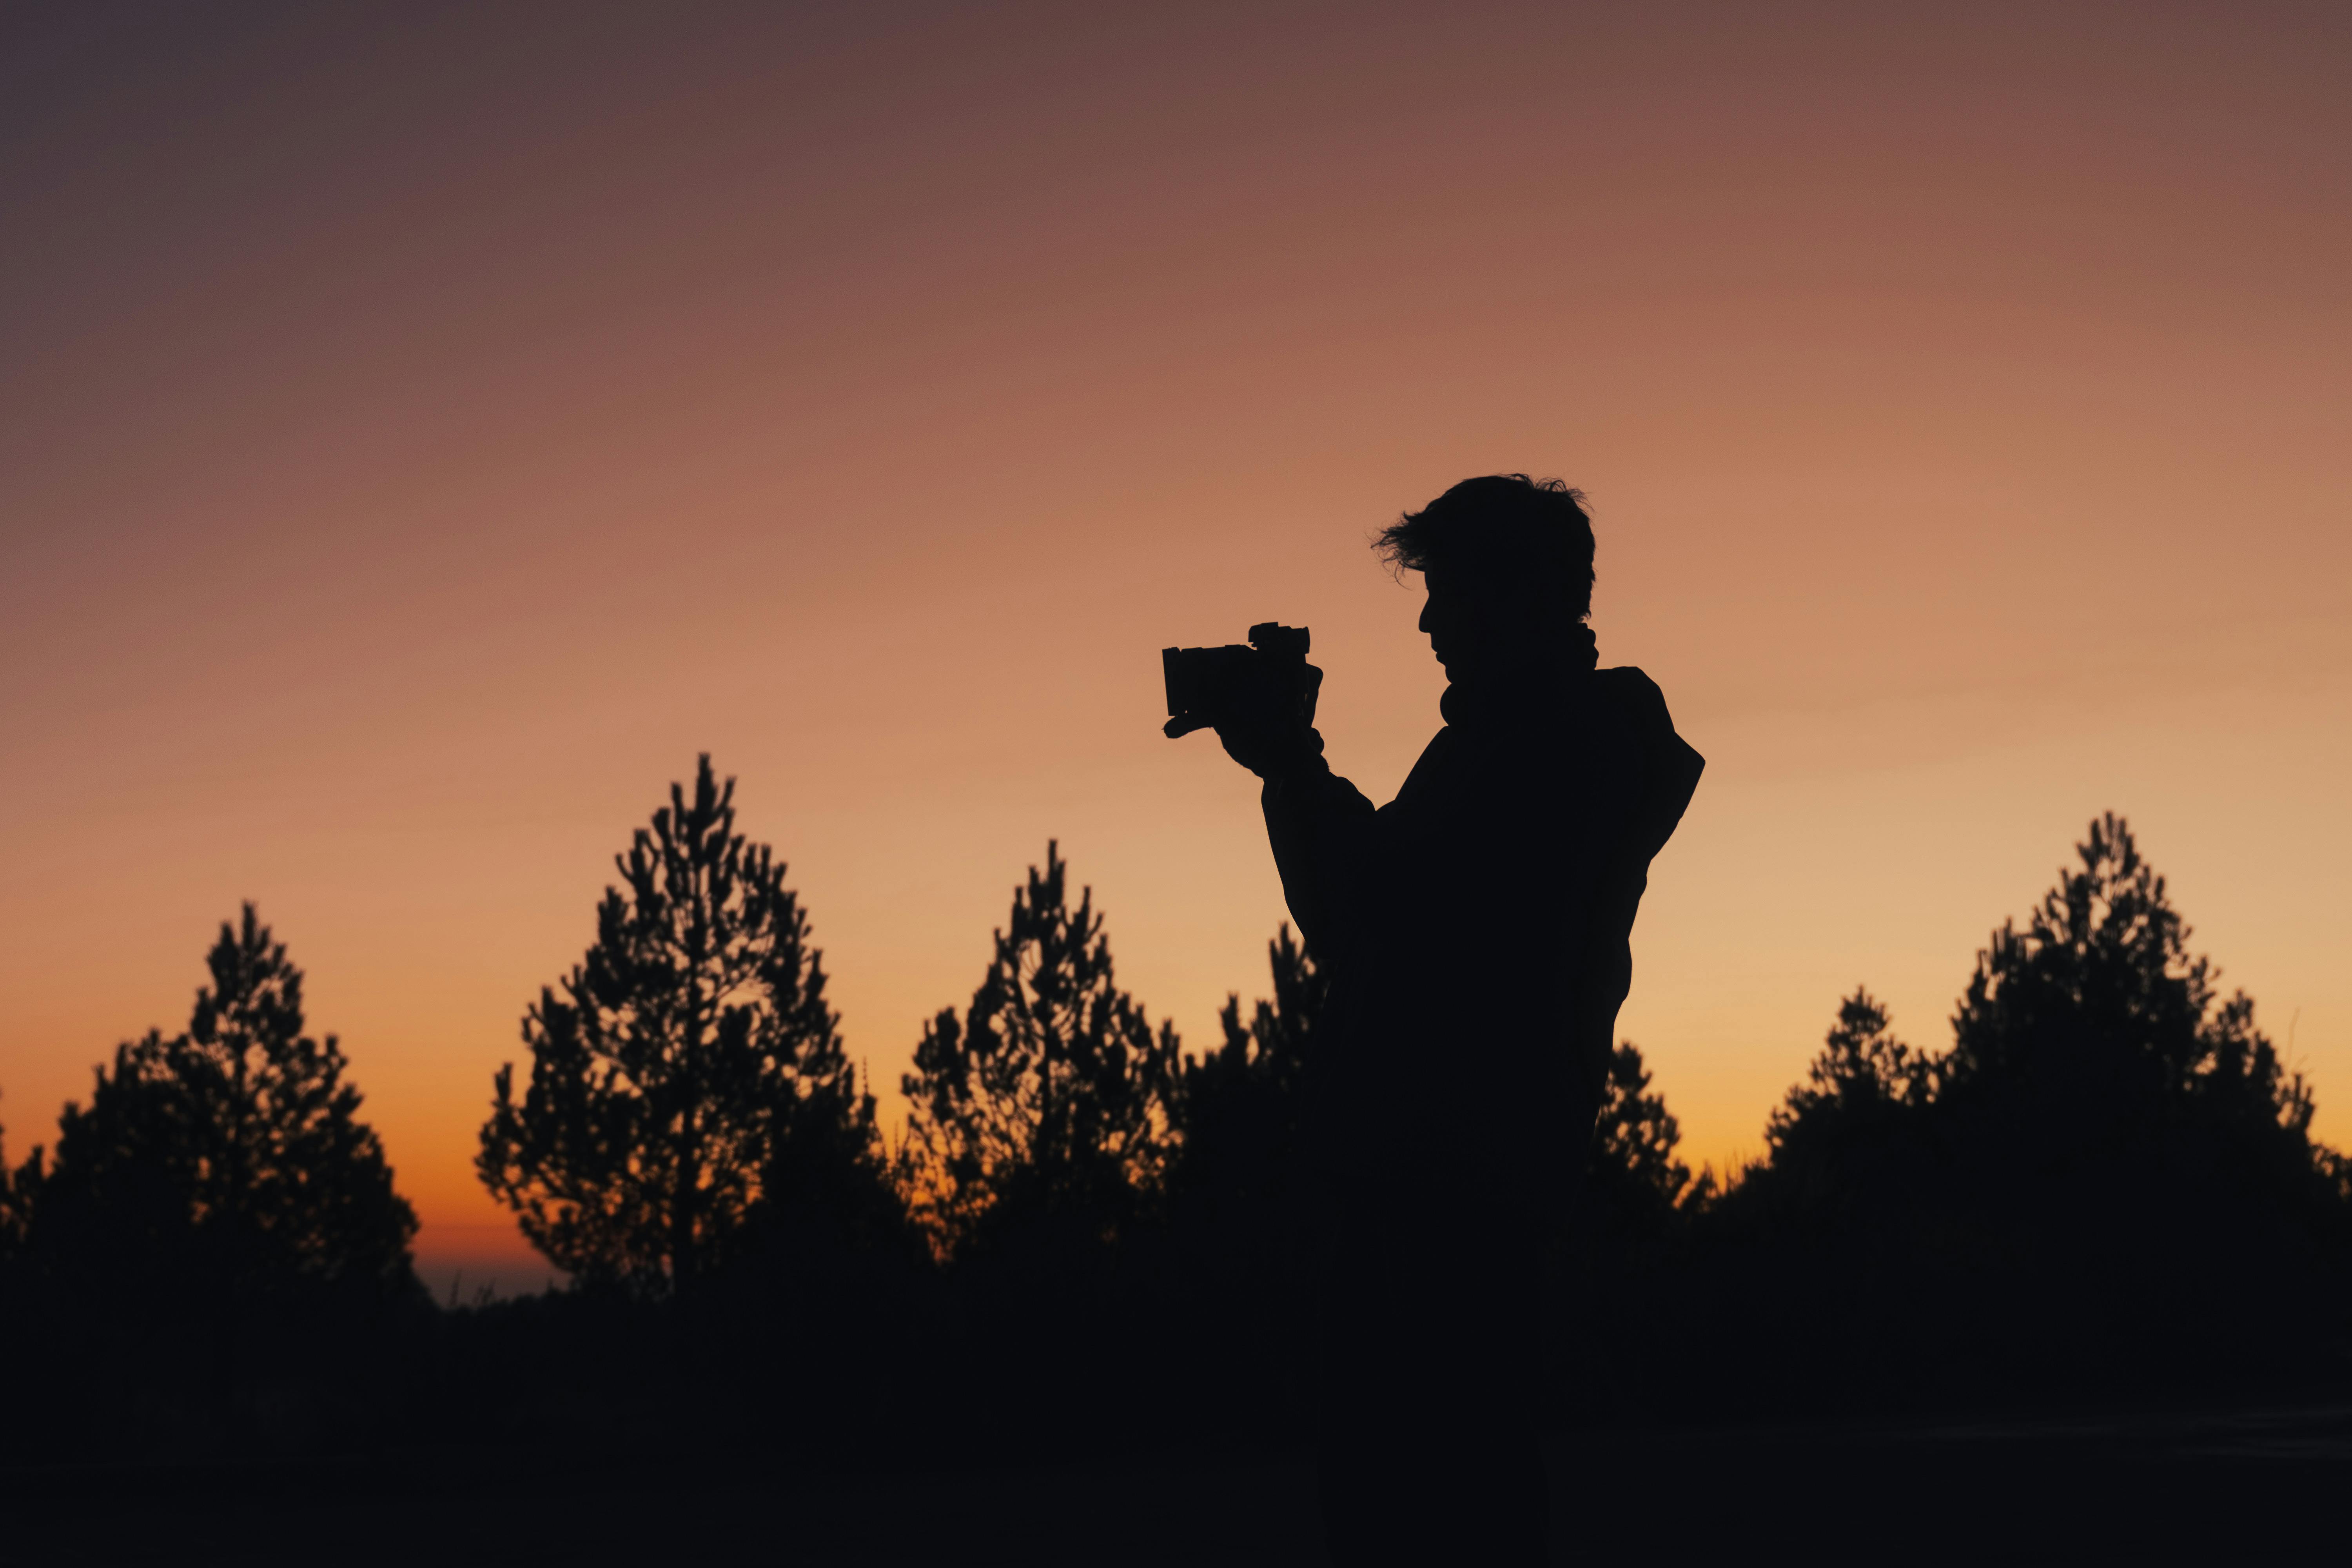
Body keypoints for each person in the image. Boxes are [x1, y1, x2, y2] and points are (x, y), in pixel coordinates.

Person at [1194, 475, 1703, 1564]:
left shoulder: (1542, 747)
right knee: (1455, 1487)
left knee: (1423, 1500)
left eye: (1450, 594)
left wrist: (1291, 763)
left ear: (1519, 596)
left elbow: (1369, 913)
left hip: (1441, 1178)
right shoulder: (1536, 740)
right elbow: (1393, 902)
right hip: (1471, 1170)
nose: (1428, 623)